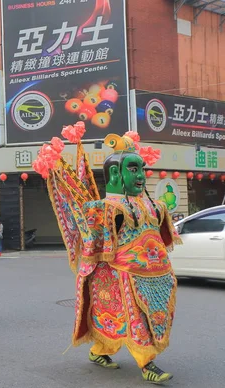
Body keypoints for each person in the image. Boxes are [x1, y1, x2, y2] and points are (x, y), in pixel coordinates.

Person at [32, 124, 180, 384]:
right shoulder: (105, 208)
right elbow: (96, 246)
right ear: (115, 173)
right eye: (133, 169)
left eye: (142, 169)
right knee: (135, 320)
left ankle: (99, 350)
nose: (141, 176)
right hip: (123, 276)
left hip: (157, 276)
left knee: (133, 320)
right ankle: (146, 363)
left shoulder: (154, 205)